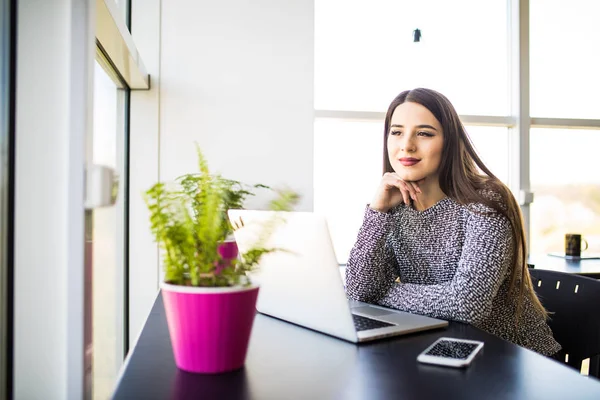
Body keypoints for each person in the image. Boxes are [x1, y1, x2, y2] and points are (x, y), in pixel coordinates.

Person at [344, 88, 561, 356]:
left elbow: (467, 303)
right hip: (443, 348)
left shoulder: (486, 200)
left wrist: (383, 293)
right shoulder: (395, 205)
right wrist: (377, 213)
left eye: (424, 133)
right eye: (397, 132)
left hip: (512, 358)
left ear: (449, 141)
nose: (407, 145)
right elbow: (357, 288)